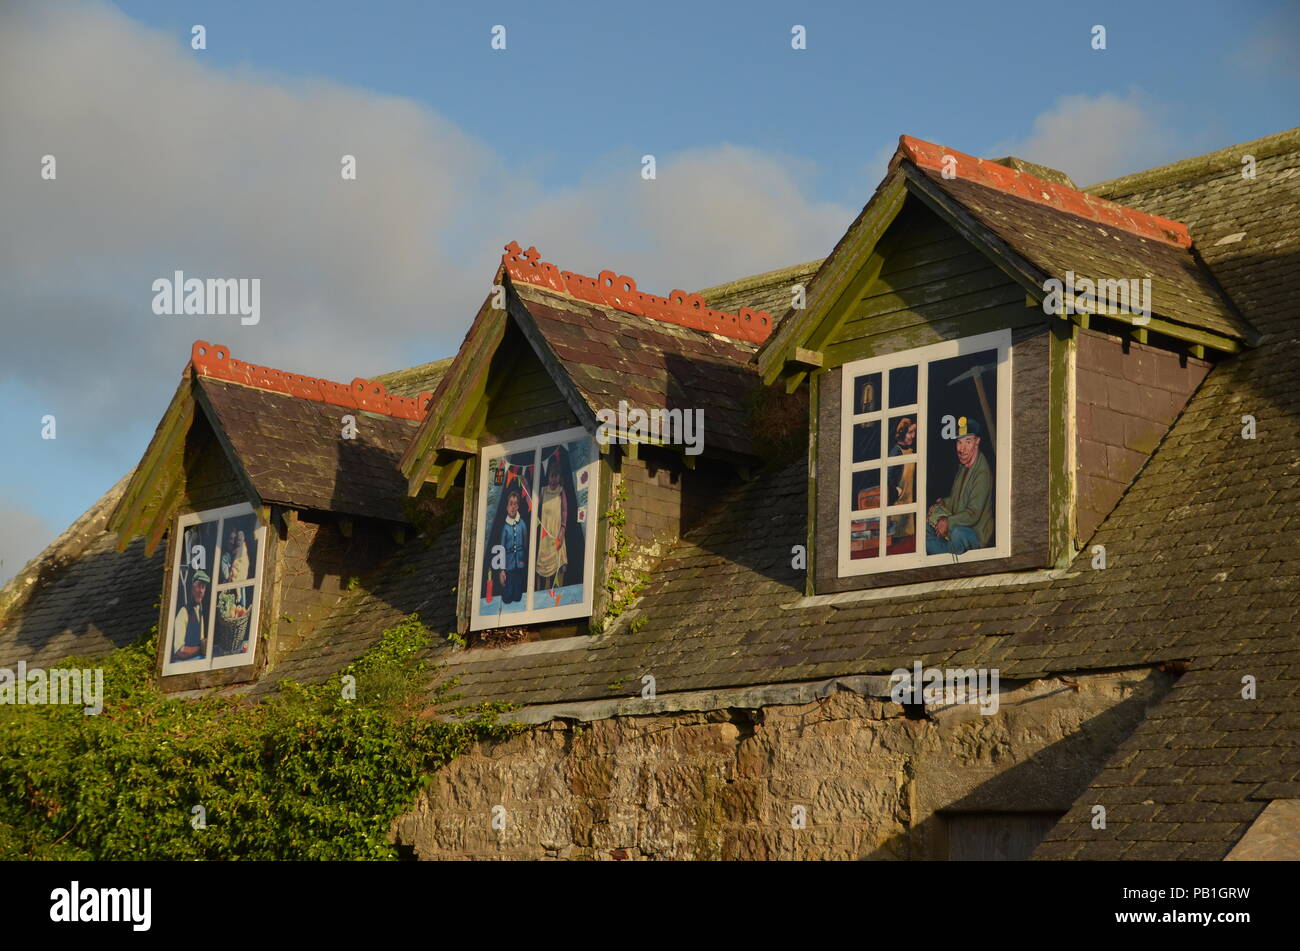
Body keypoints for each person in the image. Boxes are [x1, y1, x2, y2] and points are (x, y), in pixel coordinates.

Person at [926, 417, 993, 556]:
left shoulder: (982, 473)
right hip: (958, 524)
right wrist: (943, 503)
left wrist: (948, 522)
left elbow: (973, 514)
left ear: (977, 442)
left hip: (975, 534)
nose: (961, 449)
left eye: (967, 442)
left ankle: (946, 556)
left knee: (957, 533)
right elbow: (959, 500)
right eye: (959, 442)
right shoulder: (964, 466)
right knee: (925, 527)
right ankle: (947, 554)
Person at [535, 459, 570, 590]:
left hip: (556, 533)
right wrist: (526, 486)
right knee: (544, 564)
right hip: (545, 535)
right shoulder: (543, 491)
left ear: (559, 477)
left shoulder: (561, 491)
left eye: (556, 476)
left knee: (558, 563)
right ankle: (543, 592)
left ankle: (557, 591)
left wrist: (562, 530)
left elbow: (565, 511)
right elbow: (534, 506)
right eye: (551, 476)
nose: (554, 479)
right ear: (548, 476)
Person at [888, 417, 917, 542]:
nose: (913, 435)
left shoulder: (912, 451)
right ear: (902, 432)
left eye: (914, 432)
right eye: (910, 432)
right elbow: (888, 479)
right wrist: (896, 492)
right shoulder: (895, 453)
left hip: (910, 506)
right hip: (897, 508)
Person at [495, 490, 527, 603]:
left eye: (515, 504)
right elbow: (501, 549)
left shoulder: (522, 524)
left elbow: (525, 543)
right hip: (508, 565)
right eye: (511, 503)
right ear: (507, 507)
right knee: (507, 598)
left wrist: (523, 558)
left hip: (520, 564)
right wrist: (502, 569)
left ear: (518, 506)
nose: (513, 507)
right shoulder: (505, 527)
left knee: (518, 597)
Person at [172, 570, 210, 661]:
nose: (201, 590)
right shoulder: (183, 613)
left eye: (203, 587)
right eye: (198, 586)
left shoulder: (199, 611)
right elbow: (180, 652)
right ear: (192, 588)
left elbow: (201, 641)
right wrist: (200, 649)